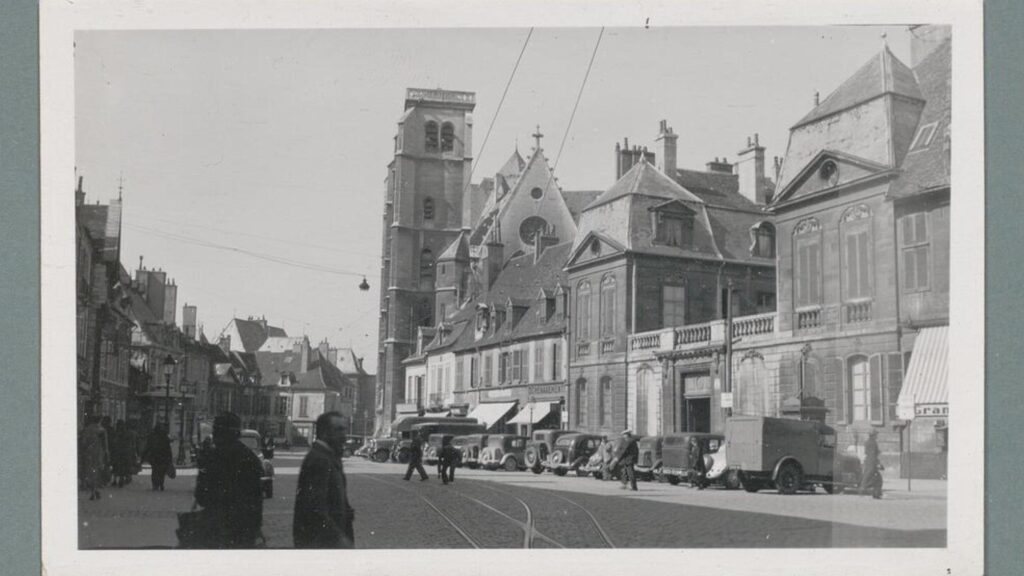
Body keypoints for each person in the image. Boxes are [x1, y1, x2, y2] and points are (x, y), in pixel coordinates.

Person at [194, 412, 264, 548]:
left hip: (214, 527)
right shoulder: (250, 458)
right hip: (242, 529)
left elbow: (201, 496)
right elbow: (256, 501)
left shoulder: (211, 457)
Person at [294, 411, 356, 548]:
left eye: (344, 429)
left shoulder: (328, 456)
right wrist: (339, 539)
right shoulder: (319, 460)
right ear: (324, 432)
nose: (344, 435)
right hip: (320, 543)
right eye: (339, 430)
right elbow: (315, 507)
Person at [79, 416, 109, 501]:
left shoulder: (87, 430)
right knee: (97, 472)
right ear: (100, 420)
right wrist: (107, 453)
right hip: (99, 453)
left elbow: (83, 442)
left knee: (90, 472)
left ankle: (93, 490)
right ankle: (95, 490)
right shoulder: (102, 430)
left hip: (88, 453)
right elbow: (105, 444)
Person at [144, 423, 174, 491]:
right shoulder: (164, 436)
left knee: (155, 471)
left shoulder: (152, 436)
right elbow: (168, 448)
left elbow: (148, 447)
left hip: (154, 457)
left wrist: (144, 456)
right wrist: (170, 457)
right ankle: (161, 483)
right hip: (163, 456)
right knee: (162, 472)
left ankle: (155, 485)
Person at [111, 419, 139, 488]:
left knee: (117, 466)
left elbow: (114, 442)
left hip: (118, 452)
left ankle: (115, 480)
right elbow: (132, 444)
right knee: (124, 466)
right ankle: (122, 478)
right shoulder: (129, 433)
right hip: (126, 452)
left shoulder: (117, 433)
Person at [860, 429, 883, 499]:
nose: (877, 436)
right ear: (873, 435)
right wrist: (878, 463)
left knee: (873, 478)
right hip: (872, 463)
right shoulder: (873, 443)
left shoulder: (867, 442)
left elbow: (867, 452)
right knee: (878, 480)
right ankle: (865, 490)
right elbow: (873, 454)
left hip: (868, 462)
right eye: (876, 435)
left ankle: (874, 493)